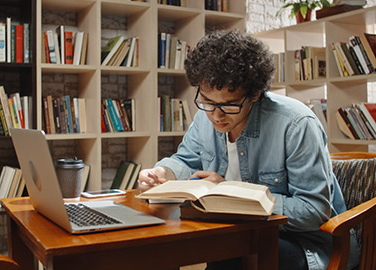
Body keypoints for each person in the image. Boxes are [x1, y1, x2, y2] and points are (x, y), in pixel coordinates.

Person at [138, 29, 359, 270]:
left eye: (229, 105)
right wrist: (163, 173)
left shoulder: (296, 124)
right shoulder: (207, 116)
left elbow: (313, 211)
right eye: (207, 101)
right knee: (173, 244)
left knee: (228, 251)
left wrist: (231, 193)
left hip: (308, 245)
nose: (216, 115)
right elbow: (187, 159)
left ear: (255, 94)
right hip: (240, 233)